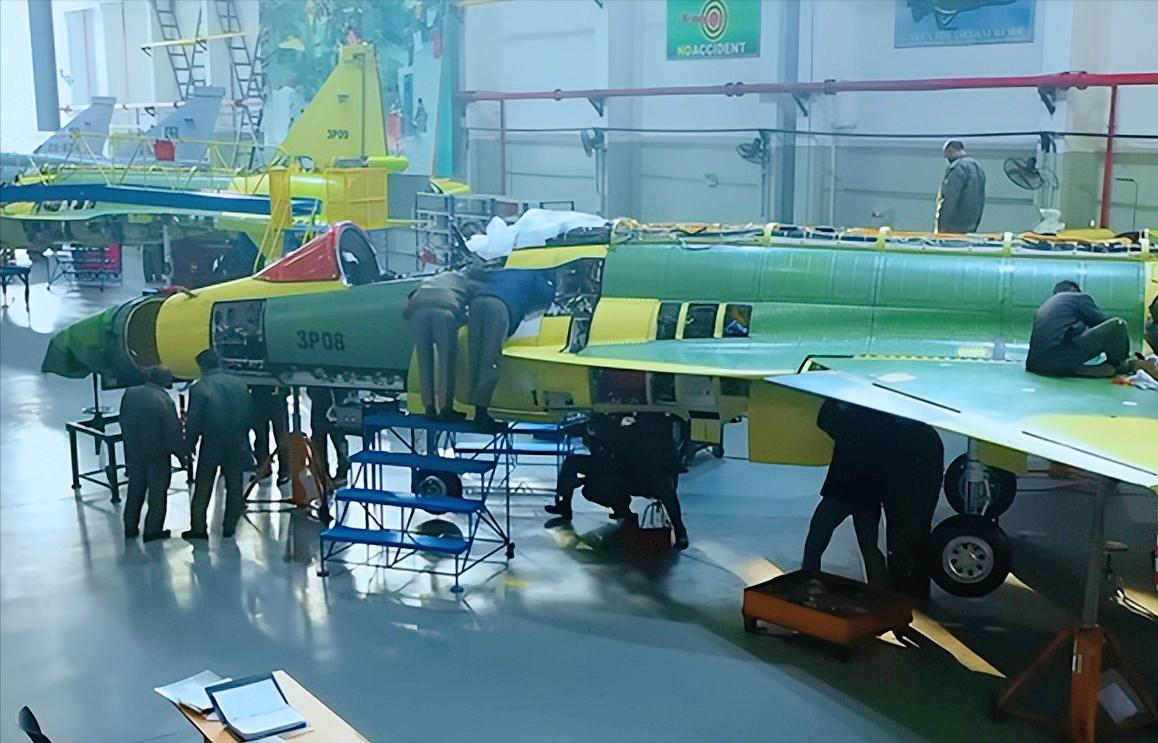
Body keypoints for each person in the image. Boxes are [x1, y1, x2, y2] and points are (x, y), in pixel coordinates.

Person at [801, 399, 889, 586]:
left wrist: (835, 398)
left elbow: (824, 419)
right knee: (870, 549)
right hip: (868, 495)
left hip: (841, 492)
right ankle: (880, 592)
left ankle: (808, 581)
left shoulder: (849, 421)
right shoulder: (881, 423)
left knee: (816, 539)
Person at [467, 268, 555, 426]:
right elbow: (547, 299)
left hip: (477, 302)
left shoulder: (502, 272)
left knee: (475, 357)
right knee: (490, 359)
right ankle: (481, 413)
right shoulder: (537, 277)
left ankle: (474, 409)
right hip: (499, 306)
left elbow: (475, 277)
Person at [184, 349, 254, 540]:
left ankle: (198, 527)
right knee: (234, 484)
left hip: (212, 442)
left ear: (202, 366)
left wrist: (189, 444)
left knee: (203, 485)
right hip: (237, 440)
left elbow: (194, 421)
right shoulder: (239, 384)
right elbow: (250, 413)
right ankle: (230, 525)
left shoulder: (199, 388)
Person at [879, 418, 943, 600]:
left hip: (901, 502)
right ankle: (919, 592)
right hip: (922, 502)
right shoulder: (930, 437)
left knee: (898, 546)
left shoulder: (899, 436)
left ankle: (897, 592)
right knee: (919, 545)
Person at [120, 365, 186, 542]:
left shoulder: (130, 393)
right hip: (157, 453)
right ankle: (153, 530)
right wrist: (182, 455)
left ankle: (130, 526)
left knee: (135, 488)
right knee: (157, 492)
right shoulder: (164, 400)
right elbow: (172, 431)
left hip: (134, 450)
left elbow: (123, 420)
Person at [403, 269, 479, 420]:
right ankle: (446, 408)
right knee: (446, 361)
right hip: (444, 309)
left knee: (424, 360)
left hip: (417, 310)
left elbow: (410, 298)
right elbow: (472, 307)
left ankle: (428, 407)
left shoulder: (431, 278)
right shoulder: (468, 282)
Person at [1026, 280, 1134, 378]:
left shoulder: (1046, 306)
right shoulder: (1078, 297)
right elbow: (1102, 323)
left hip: (1035, 365)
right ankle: (1120, 366)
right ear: (1073, 289)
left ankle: (1072, 369)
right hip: (1060, 355)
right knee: (1118, 325)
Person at [934, 140, 986, 233]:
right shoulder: (978, 168)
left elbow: (950, 199)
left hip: (953, 227)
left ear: (951, 150)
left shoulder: (957, 168)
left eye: (946, 155)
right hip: (971, 226)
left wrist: (942, 226)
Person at [308, 386, 350, 483]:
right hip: (326, 392)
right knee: (331, 433)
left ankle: (326, 472)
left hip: (327, 391)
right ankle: (326, 471)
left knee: (330, 433)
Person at [250, 385, 290, 485]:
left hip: (271, 392)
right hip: (264, 393)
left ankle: (283, 470)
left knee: (279, 436)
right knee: (262, 435)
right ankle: (266, 468)